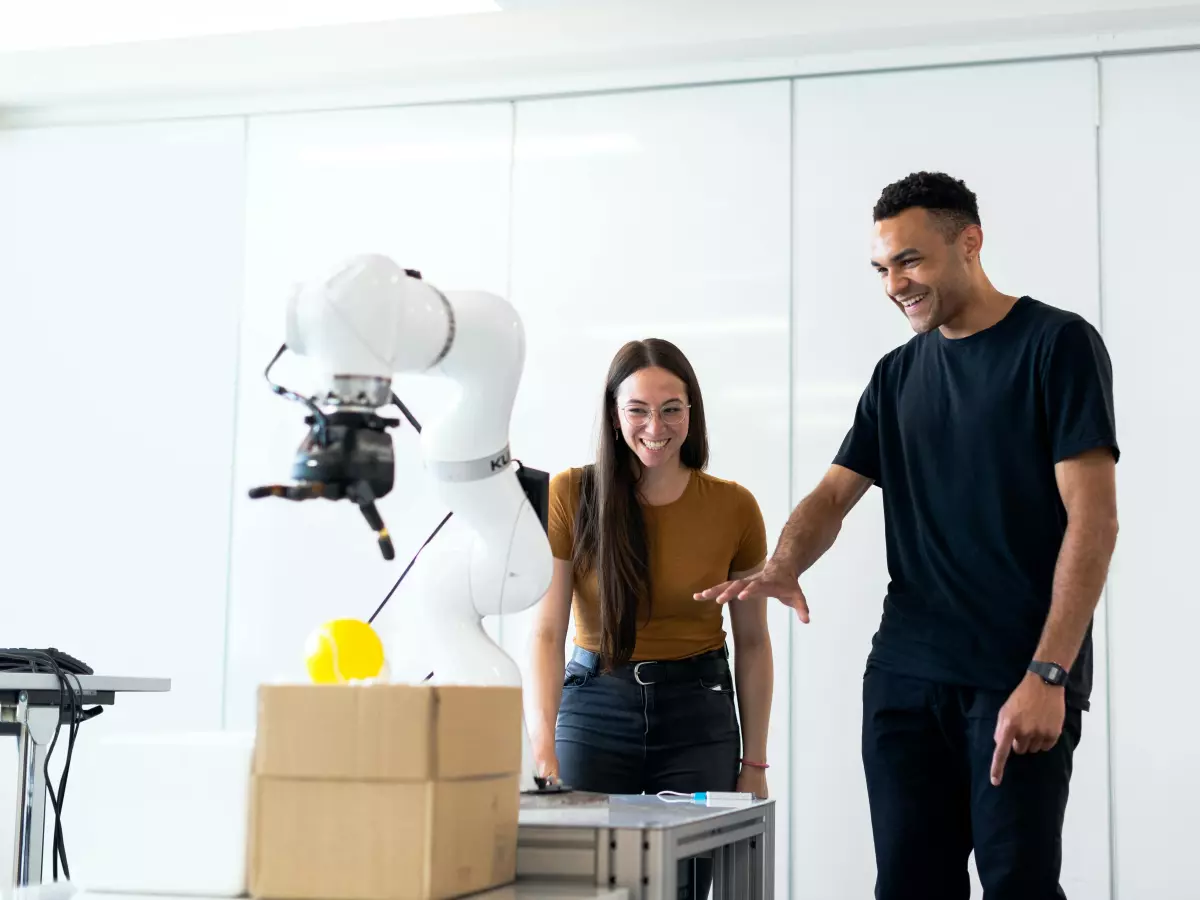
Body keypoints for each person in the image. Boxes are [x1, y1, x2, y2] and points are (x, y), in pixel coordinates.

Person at [698, 171, 1119, 900]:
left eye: (911, 260)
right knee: (908, 885)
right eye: (883, 267)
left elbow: (1095, 519)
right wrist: (783, 562)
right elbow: (834, 494)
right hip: (905, 676)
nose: (895, 282)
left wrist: (1049, 674)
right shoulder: (896, 376)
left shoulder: (1057, 345)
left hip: (1015, 675)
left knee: (1018, 883)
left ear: (970, 243)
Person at [527, 337, 774, 898]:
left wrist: (754, 760)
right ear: (615, 416)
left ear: (692, 413)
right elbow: (546, 631)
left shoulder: (735, 506)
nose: (654, 427)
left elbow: (754, 644)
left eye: (671, 409)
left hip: (699, 717)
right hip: (595, 708)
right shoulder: (572, 493)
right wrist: (543, 748)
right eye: (637, 409)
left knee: (682, 889)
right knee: (583, 886)